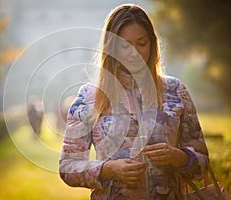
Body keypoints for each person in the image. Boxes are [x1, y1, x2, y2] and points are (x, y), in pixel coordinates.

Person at [59, 4, 209, 200]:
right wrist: (109, 169)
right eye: (125, 45)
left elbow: (203, 162)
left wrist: (177, 157)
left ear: (152, 44)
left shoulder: (175, 91)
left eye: (142, 43)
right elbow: (67, 166)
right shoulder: (90, 97)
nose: (134, 52)